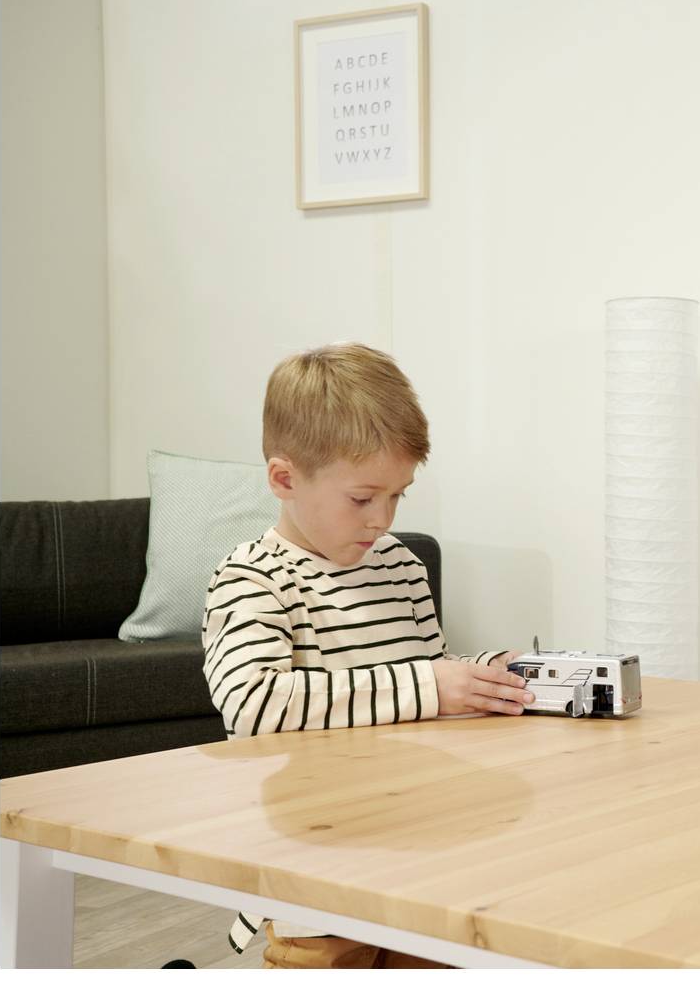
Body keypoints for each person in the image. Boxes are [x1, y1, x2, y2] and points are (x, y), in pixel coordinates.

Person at [202, 342, 535, 969]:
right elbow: (251, 704)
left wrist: (482, 675)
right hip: (313, 862)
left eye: (399, 496)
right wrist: (432, 686)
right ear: (284, 478)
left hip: (421, 843)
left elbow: (420, 669)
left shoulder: (401, 567)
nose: (382, 519)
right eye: (362, 498)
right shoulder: (252, 577)